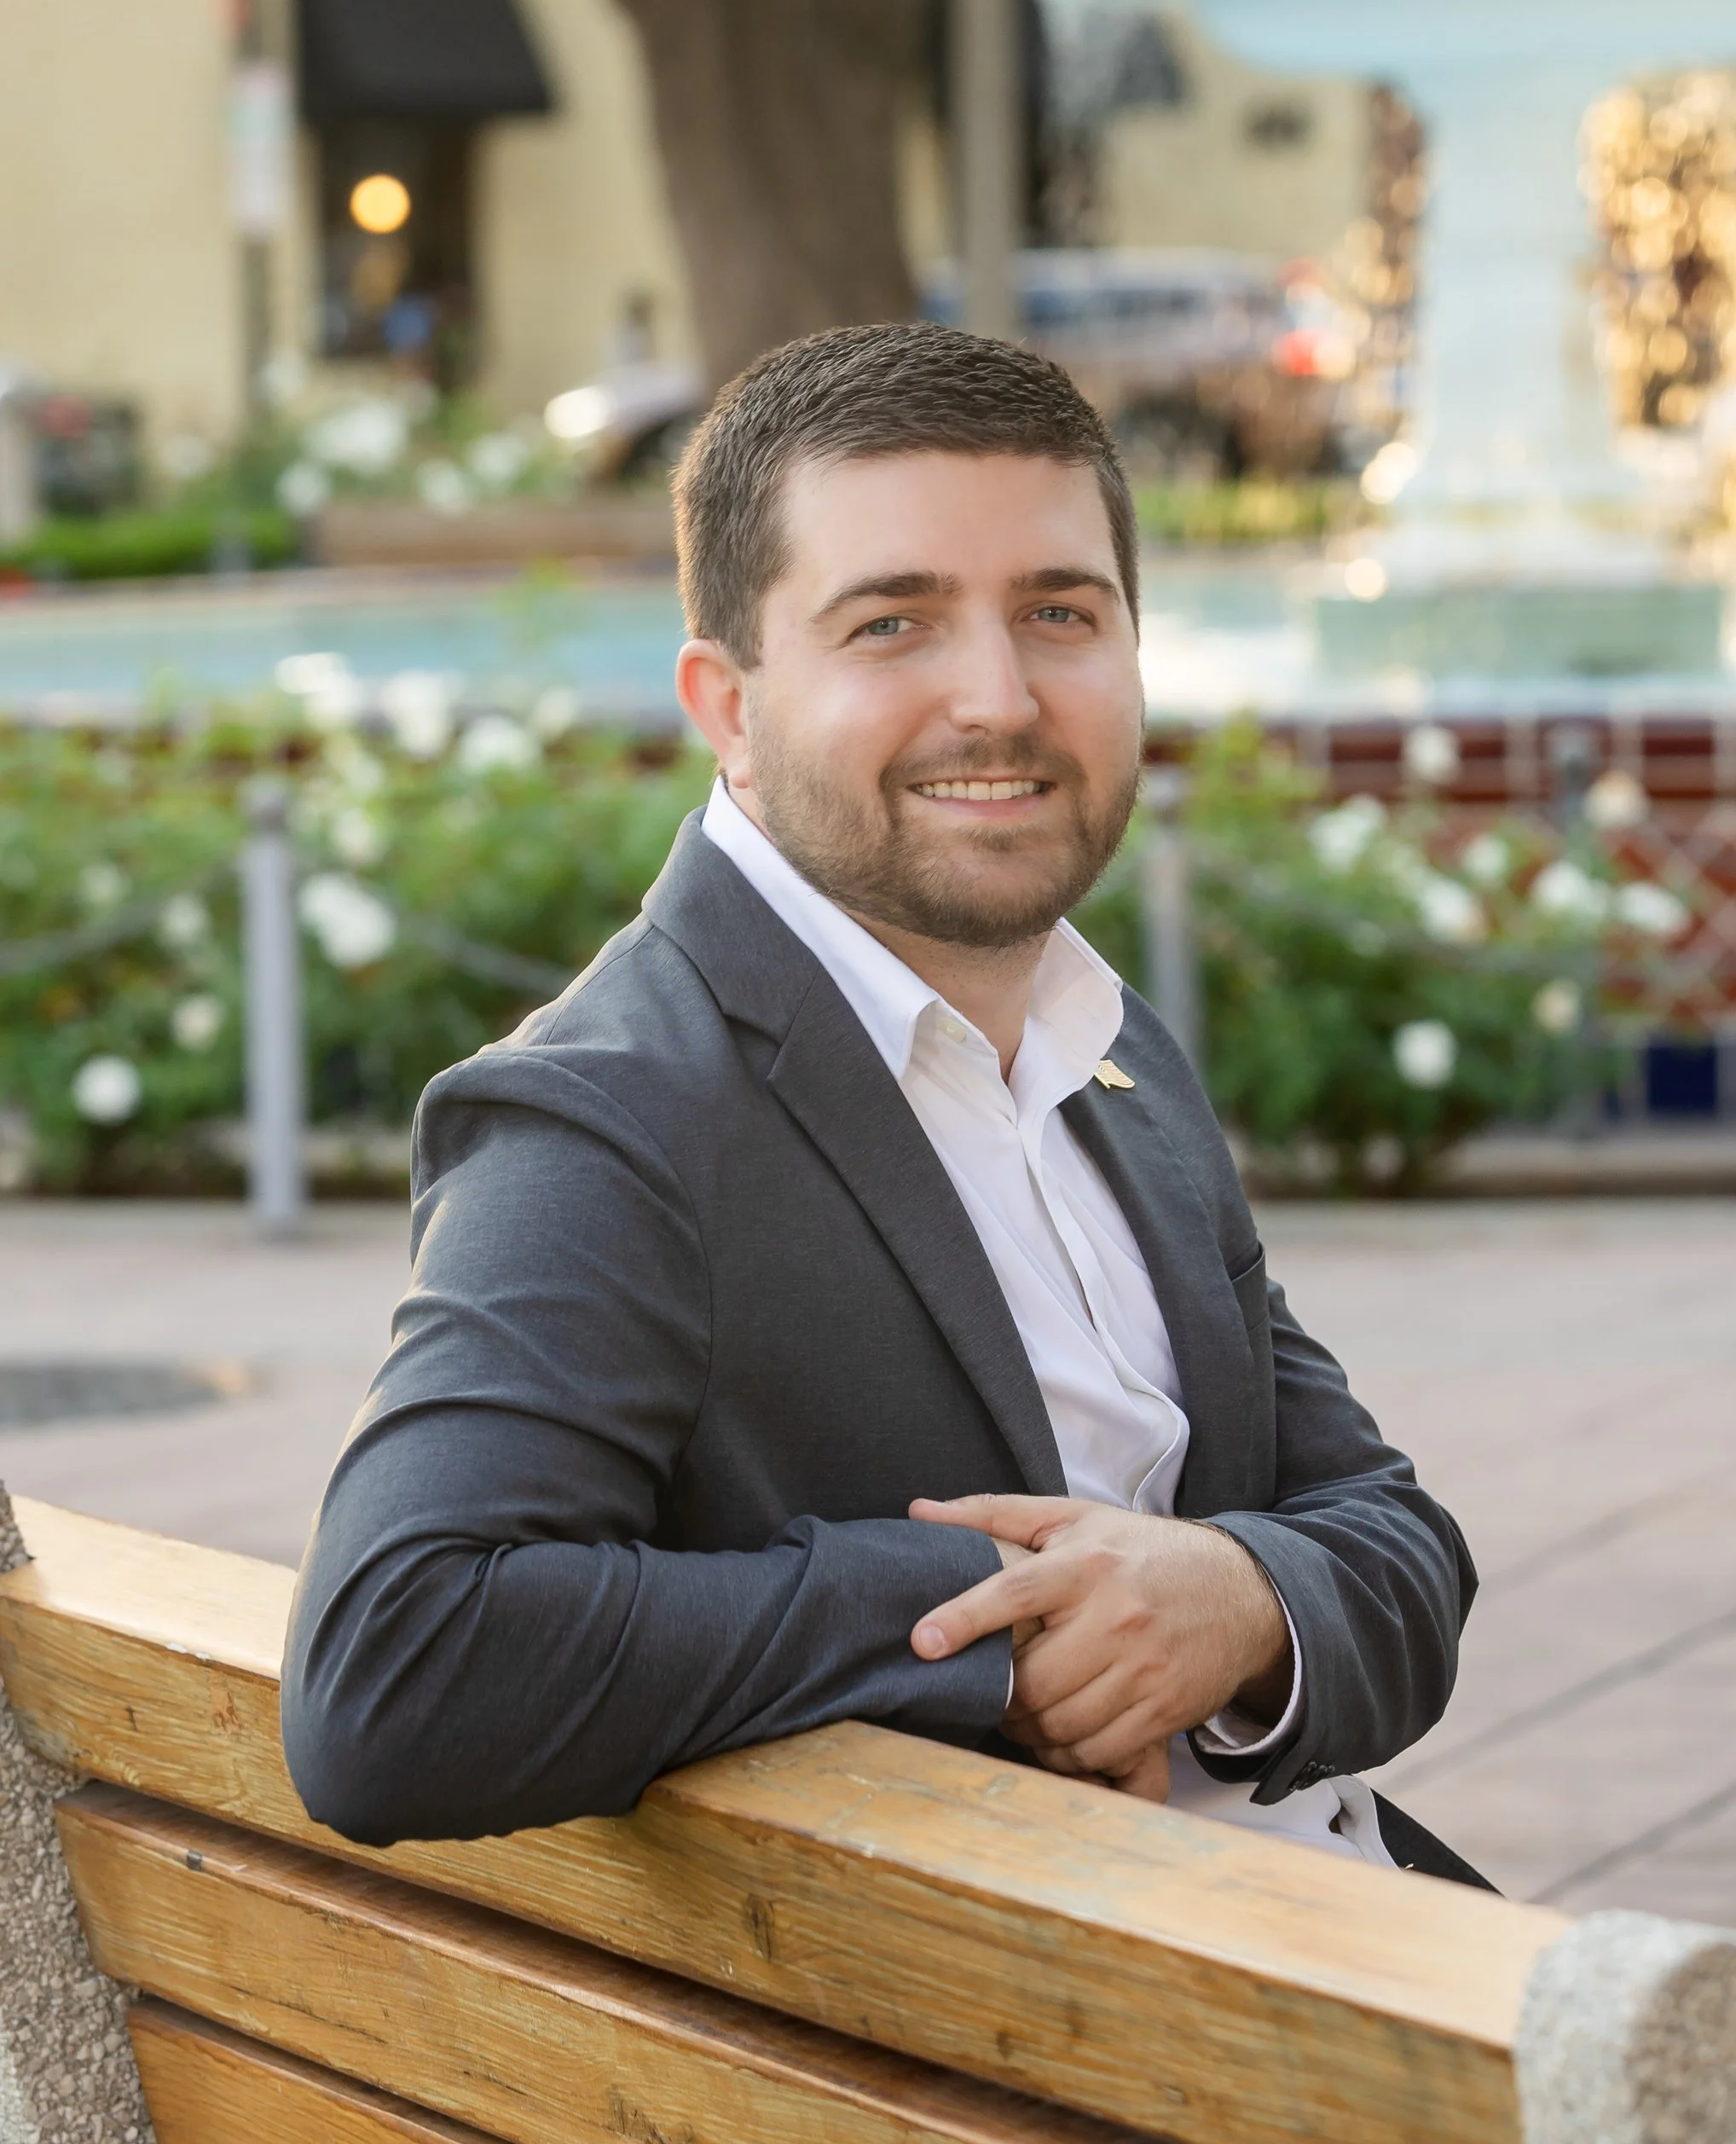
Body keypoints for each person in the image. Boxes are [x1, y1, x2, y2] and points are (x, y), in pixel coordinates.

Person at [283, 324, 1482, 1880]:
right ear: (728, 704)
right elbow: (393, 1669)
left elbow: (1397, 1541)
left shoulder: (1108, 1046)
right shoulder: (612, 1116)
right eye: (892, 623)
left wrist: (1236, 1602)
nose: (998, 697)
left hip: (1311, 1915)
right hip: (1059, 1995)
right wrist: (984, 1626)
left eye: (1059, 613)